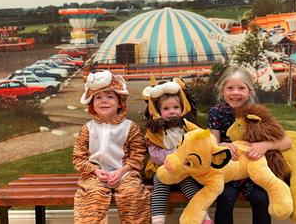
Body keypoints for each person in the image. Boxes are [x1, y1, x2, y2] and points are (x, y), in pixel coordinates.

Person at [207, 66, 292, 224]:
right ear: (222, 91)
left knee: (260, 198)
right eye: (230, 88)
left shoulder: (257, 112)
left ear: (250, 91)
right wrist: (222, 146)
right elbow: (212, 143)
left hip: (254, 171)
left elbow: (287, 141)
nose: (235, 92)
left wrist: (265, 145)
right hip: (230, 172)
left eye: (241, 88)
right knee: (225, 197)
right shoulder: (216, 113)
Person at [73, 70, 151, 223]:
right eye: (98, 97)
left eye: (110, 97)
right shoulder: (87, 129)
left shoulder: (131, 128)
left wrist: (122, 172)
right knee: (92, 197)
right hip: (94, 175)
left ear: (120, 102)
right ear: (91, 104)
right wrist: (95, 171)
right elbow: (78, 158)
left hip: (125, 173)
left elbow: (138, 156)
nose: (104, 101)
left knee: (133, 195)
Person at [143, 79, 212, 224]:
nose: (172, 111)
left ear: (183, 108)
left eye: (176, 107)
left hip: (185, 170)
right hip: (163, 168)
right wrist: (174, 157)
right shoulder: (155, 131)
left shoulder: (187, 126)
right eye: (166, 109)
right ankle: (157, 220)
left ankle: (203, 217)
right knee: (160, 188)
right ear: (158, 111)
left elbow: (197, 146)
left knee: (191, 188)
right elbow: (155, 155)